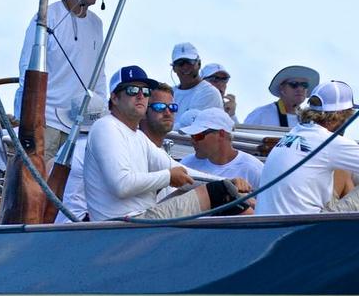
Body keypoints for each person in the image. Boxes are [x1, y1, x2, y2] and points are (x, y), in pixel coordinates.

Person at [83, 66, 244, 222]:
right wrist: (168, 176)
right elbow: (122, 185)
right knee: (219, 192)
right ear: (115, 98)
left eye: (145, 92)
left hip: (140, 219)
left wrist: (228, 181)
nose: (140, 96)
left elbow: (181, 171)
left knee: (223, 188)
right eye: (132, 90)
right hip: (121, 226)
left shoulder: (138, 136)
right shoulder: (106, 126)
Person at [256, 81, 359, 215]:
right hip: (308, 229)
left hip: (273, 224)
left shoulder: (296, 132)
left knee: (344, 169)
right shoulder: (329, 143)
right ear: (341, 115)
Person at [14, 0, 111, 164]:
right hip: (45, 120)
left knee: (68, 188)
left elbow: (99, 72)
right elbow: (27, 68)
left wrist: (101, 113)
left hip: (80, 123)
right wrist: (33, 116)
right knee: (36, 184)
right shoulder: (46, 16)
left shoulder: (97, 24)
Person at [180, 108, 264, 188]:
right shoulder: (187, 164)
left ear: (221, 134)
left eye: (198, 136)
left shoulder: (253, 169)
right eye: (192, 136)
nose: (193, 141)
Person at [244, 65, 319, 127]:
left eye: (304, 85)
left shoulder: (311, 121)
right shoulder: (261, 114)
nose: (300, 89)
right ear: (282, 88)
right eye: (294, 84)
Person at [169, 43, 224, 129]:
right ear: (174, 68)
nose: (185, 67)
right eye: (180, 63)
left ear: (199, 64)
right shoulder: (169, 93)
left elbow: (189, 128)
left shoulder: (209, 93)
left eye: (190, 62)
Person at [139, 83, 177, 148]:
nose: (168, 113)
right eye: (159, 106)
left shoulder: (162, 155)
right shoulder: (130, 149)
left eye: (172, 107)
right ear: (143, 112)